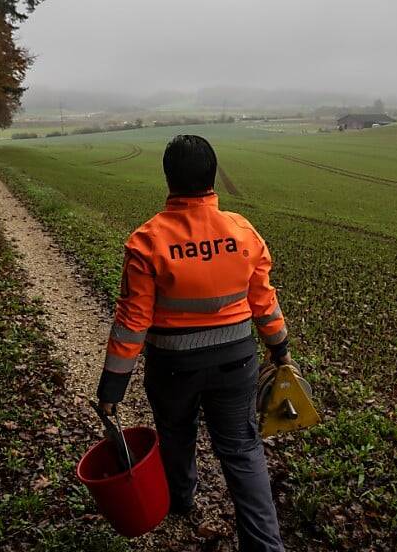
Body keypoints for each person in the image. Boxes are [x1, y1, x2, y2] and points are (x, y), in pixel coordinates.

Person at [96, 135, 290, 551]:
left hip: (172, 368)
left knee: (176, 434)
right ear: (212, 175)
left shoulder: (147, 240)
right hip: (237, 363)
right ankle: (265, 545)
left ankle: (180, 501)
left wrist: (112, 387)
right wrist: (280, 348)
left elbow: (132, 322)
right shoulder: (243, 232)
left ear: (169, 178)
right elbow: (263, 302)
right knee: (241, 447)